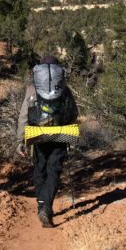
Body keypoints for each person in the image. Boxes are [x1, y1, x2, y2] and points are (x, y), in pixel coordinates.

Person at [16, 55, 78, 228]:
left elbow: (23, 116)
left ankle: (42, 204)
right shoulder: (64, 88)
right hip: (60, 134)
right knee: (54, 171)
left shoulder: (32, 87)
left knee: (40, 169)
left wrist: (20, 140)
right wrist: (69, 130)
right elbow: (73, 113)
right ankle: (46, 206)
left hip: (37, 134)